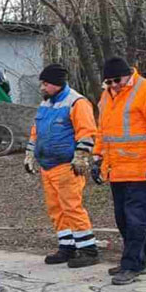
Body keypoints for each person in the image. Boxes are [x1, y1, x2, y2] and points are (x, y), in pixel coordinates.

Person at [91, 57, 146, 285]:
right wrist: (97, 159)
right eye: (109, 82)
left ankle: (132, 265)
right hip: (116, 169)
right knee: (122, 219)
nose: (113, 85)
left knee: (136, 220)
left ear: (128, 74)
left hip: (140, 169)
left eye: (117, 80)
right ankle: (137, 259)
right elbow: (102, 131)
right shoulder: (107, 96)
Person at [25, 63, 100, 268]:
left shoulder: (77, 102)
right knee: (56, 208)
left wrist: (81, 157)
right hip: (47, 166)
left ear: (57, 84)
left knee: (72, 207)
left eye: (45, 83)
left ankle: (88, 250)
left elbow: (87, 132)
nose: (42, 87)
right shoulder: (46, 104)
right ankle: (67, 247)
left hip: (67, 166)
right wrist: (30, 154)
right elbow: (36, 131)